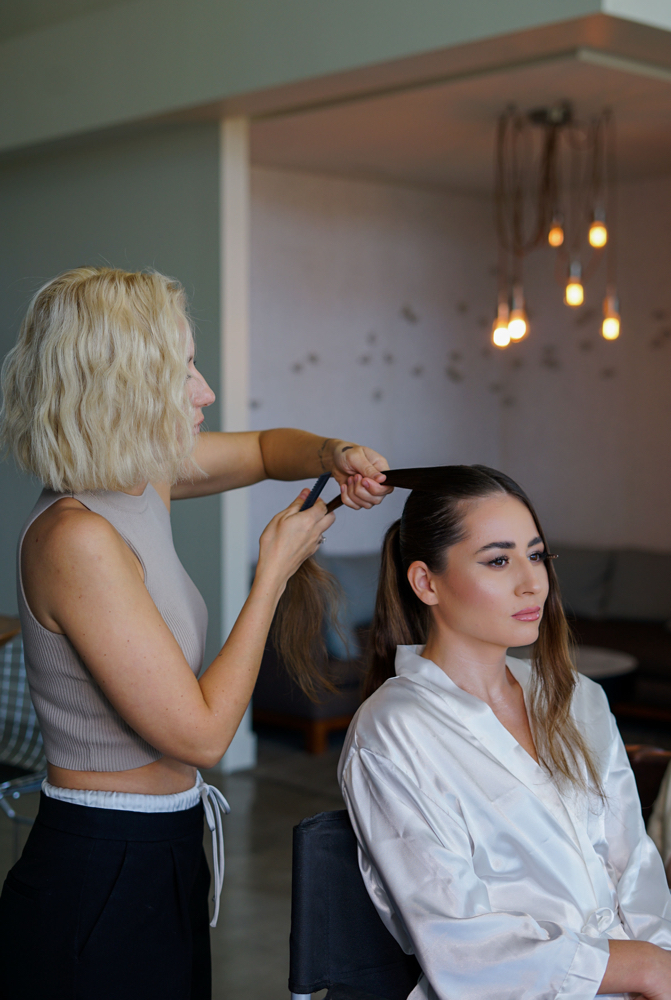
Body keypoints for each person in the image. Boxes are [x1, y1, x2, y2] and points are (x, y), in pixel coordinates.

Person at [0, 266, 391, 1000]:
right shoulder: (74, 538)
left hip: (165, 844)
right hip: (99, 866)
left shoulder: (141, 478)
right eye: (180, 369)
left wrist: (334, 451)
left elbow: (272, 447)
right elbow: (203, 737)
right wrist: (271, 574)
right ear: (119, 385)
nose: (204, 389)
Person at [330, 465, 671, 1000]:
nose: (532, 581)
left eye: (536, 555)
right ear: (426, 582)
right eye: (498, 560)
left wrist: (659, 967)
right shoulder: (393, 732)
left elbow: (636, 866)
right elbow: (460, 943)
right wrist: (642, 969)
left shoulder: (578, 697)